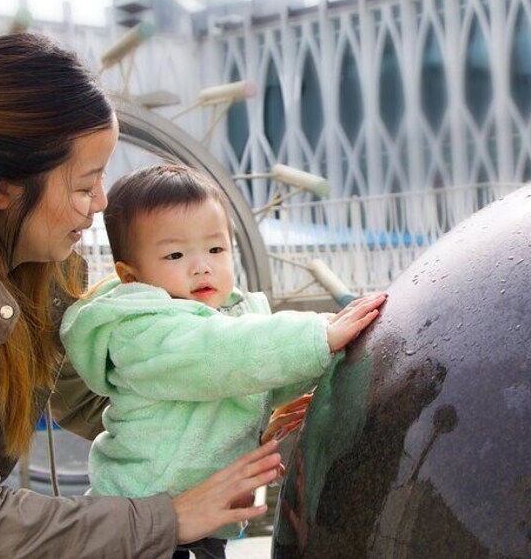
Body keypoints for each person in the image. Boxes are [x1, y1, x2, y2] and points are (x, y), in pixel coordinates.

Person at [0, 33, 282, 559]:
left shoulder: (45, 258)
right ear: (5, 188)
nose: (102, 201)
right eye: (83, 184)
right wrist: (171, 518)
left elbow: (101, 393)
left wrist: (237, 402)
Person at [60, 165, 387, 559]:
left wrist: (321, 366)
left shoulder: (226, 323)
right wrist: (320, 336)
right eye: (175, 254)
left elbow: (251, 373)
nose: (201, 265)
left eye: (216, 249)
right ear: (131, 277)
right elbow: (219, 353)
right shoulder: (143, 332)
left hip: (198, 526)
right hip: (141, 527)